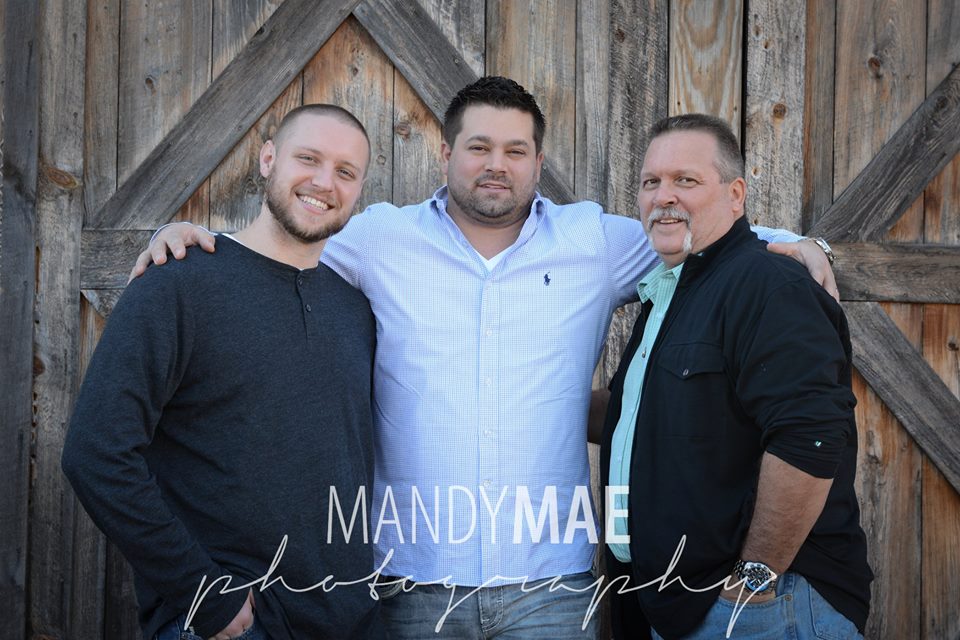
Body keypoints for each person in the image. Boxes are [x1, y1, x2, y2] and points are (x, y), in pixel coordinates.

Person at [133, 77, 836, 639]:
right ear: (446, 155)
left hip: (552, 586)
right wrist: (190, 238)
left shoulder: (591, 242)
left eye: (515, 150)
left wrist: (803, 244)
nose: (496, 164)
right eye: (478, 147)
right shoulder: (380, 240)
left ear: (538, 163)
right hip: (410, 580)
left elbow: (702, 227)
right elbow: (278, 242)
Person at [62, 105, 386, 640]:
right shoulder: (179, 282)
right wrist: (201, 591)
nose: (325, 182)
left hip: (350, 620)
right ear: (268, 159)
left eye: (345, 171)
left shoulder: (355, 310)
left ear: (358, 190)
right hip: (231, 624)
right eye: (308, 159)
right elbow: (96, 453)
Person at [599, 114, 872, 639]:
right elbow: (631, 416)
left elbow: (811, 436)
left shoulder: (767, 284)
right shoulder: (670, 294)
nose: (663, 196)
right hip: (675, 602)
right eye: (651, 182)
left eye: (685, 180)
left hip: (758, 609)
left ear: (736, 195)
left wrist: (753, 579)